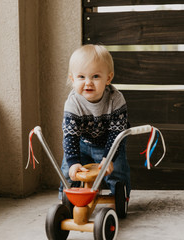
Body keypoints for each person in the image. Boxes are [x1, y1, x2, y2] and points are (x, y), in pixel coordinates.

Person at [59, 44, 131, 200]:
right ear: (72, 79)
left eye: (95, 76)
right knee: (69, 171)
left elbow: (116, 133)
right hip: (81, 143)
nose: (88, 82)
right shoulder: (73, 103)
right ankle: (68, 198)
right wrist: (73, 161)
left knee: (116, 171)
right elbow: (70, 136)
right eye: (81, 77)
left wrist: (108, 157)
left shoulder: (115, 99)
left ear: (108, 78)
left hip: (110, 143)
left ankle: (120, 198)